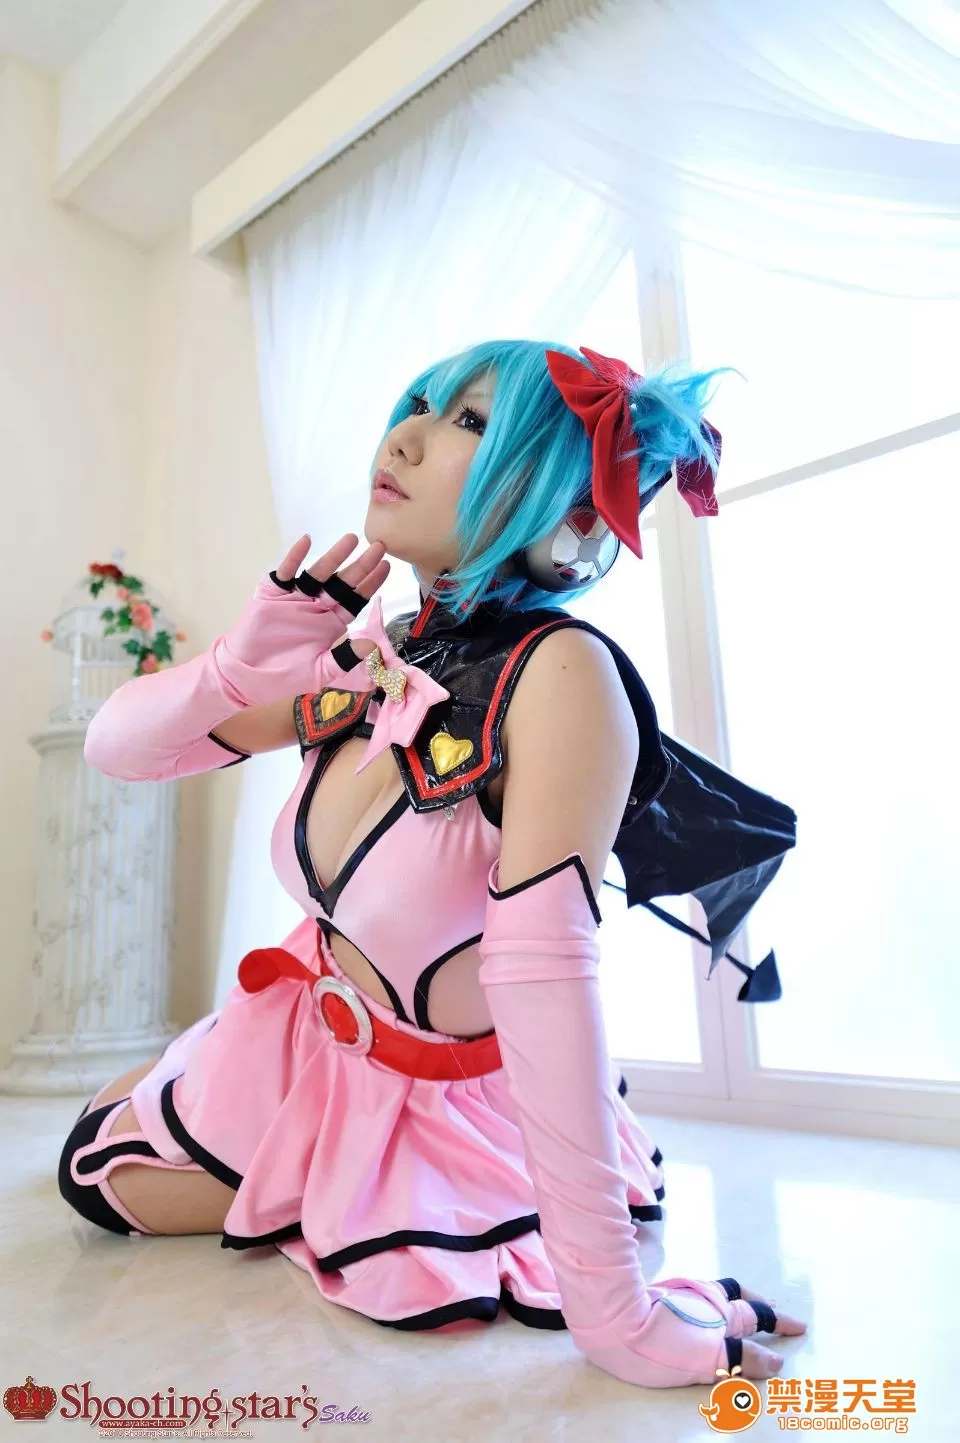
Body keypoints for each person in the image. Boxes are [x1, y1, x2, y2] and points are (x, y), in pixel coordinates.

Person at [59, 338, 806, 1388]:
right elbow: (117, 751)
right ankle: (310, 1169)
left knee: (104, 1174)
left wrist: (618, 1317)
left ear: (557, 497)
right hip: (305, 1035)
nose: (404, 436)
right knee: (94, 1152)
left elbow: (544, 972)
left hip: (440, 1094)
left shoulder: (563, 673)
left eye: (469, 422)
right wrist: (236, 663)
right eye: (418, 403)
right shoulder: (375, 651)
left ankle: (366, 1189)